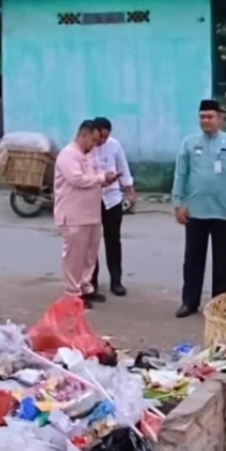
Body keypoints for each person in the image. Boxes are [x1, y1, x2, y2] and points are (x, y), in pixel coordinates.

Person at [171, 99, 226, 318]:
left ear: (220, 118)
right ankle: (189, 302)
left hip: (224, 211)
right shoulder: (188, 143)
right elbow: (181, 174)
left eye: (210, 117)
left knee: (223, 261)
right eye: (202, 117)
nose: (206, 121)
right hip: (195, 210)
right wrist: (178, 203)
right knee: (193, 259)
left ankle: (221, 305)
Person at [53, 120, 118, 308]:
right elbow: (77, 179)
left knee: (90, 255)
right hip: (73, 216)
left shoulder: (86, 155)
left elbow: (93, 178)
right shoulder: (68, 155)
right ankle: (73, 293)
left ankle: (85, 287)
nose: (96, 144)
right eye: (93, 140)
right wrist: (100, 178)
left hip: (91, 214)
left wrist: (105, 180)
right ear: (83, 135)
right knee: (74, 257)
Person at [90, 117, 136, 298]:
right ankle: (90, 282)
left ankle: (116, 281)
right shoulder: (85, 146)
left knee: (113, 241)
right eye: (100, 136)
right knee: (91, 243)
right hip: (90, 200)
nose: (102, 141)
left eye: (106, 137)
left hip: (112, 199)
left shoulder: (114, 145)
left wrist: (130, 192)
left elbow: (123, 168)